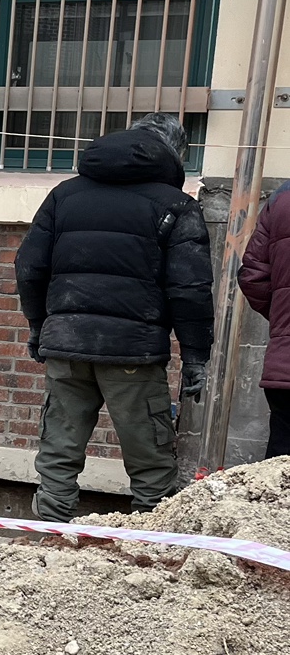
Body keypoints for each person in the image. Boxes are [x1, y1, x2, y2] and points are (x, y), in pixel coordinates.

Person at [14, 113, 214, 522]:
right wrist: (196, 356)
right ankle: (152, 541)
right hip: (133, 352)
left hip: (66, 343)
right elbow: (190, 289)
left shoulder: (64, 195)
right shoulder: (176, 205)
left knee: (58, 450)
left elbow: (29, 267)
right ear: (175, 152)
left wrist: (38, 326)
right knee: (150, 456)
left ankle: (49, 534)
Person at [237, 178, 290, 459]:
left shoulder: (282, 198)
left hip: (285, 364)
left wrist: (283, 320)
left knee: (280, 470)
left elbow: (252, 276)